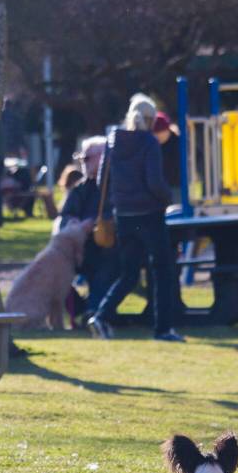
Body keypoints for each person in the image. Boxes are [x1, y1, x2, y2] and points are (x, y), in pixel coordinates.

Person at [88, 94, 182, 342]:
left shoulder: (113, 142)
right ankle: (163, 329)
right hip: (149, 215)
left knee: (129, 274)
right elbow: (154, 182)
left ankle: (101, 315)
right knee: (162, 271)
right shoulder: (149, 143)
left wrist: (117, 204)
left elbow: (101, 182)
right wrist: (166, 199)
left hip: (124, 217)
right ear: (151, 120)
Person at [59, 136, 120, 320]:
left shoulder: (116, 186)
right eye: (81, 159)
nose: (82, 163)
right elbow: (65, 217)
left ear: (104, 159)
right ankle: (80, 308)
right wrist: (75, 225)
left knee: (107, 263)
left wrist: (94, 223)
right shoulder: (80, 189)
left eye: (87, 159)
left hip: (106, 247)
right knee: (50, 266)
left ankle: (94, 311)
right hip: (78, 247)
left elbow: (116, 214)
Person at [153, 111, 181, 204]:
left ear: (167, 129)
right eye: (155, 133)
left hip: (178, 187)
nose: (158, 136)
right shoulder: (151, 145)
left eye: (160, 131)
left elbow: (197, 156)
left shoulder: (179, 141)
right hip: (159, 188)